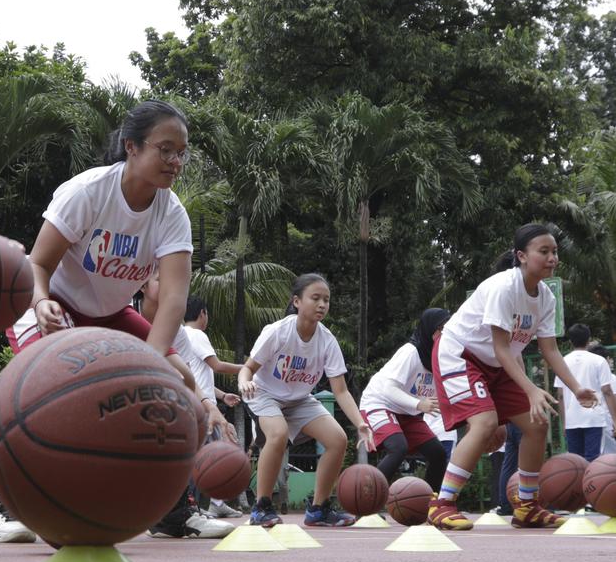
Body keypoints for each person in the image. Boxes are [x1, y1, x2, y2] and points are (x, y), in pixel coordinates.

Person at [0, 99, 229, 542]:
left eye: (183, 152)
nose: (176, 161)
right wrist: (41, 303)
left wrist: (151, 362)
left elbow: (174, 298)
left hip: (112, 314)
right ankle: (5, 509)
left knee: (182, 389)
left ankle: (172, 511)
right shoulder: (88, 192)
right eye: (166, 149)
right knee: (38, 394)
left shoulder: (171, 213)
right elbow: (37, 265)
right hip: (51, 303)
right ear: (132, 147)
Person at [428, 223, 598, 530]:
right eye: (543, 252)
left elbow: (550, 350)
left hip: (496, 362)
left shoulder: (545, 297)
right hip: (459, 353)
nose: (552, 258)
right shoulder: (503, 288)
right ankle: (442, 503)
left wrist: (576, 388)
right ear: (521, 255)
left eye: (554, 252)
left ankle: (527, 505)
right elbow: (502, 347)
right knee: (485, 424)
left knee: (538, 424)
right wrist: (532, 389)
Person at [238, 273, 375, 528]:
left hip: (299, 399)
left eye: (326, 299)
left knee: (337, 439)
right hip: (265, 394)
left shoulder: (327, 340)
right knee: (277, 434)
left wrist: (360, 423)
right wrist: (244, 381)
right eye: (315, 298)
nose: (322, 304)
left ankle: (319, 509)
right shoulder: (278, 332)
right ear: (297, 301)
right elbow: (247, 368)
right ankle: (261, 507)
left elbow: (341, 391)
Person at [138, 271, 236, 538]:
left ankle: (174, 515)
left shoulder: (176, 332)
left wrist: (212, 408)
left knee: (184, 415)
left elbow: (188, 378)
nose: (173, 284)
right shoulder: (117, 315)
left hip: (150, 403)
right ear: (143, 285)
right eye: (161, 279)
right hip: (113, 399)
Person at [358, 308, 450, 491]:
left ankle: (431, 504)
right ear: (429, 329)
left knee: (438, 453)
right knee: (398, 448)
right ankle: (367, 501)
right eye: (440, 328)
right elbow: (388, 389)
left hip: (406, 411)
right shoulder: (410, 352)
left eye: (448, 328)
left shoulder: (443, 357)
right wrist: (419, 404)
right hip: (379, 402)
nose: (444, 333)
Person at [179, 297, 245, 518]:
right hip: (204, 409)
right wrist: (247, 368)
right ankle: (196, 506)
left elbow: (197, 377)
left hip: (195, 400)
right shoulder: (197, 334)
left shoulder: (180, 334)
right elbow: (216, 365)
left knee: (206, 454)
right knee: (211, 457)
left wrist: (222, 394)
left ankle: (214, 502)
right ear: (202, 314)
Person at [554, 323, 616, 462]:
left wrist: (564, 423)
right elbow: (607, 391)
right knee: (593, 460)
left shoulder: (562, 362)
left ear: (570, 341)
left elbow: (561, 395)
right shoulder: (599, 361)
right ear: (589, 340)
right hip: (594, 418)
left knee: (575, 462)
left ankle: (579, 485)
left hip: (572, 419)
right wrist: (615, 420)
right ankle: (591, 485)